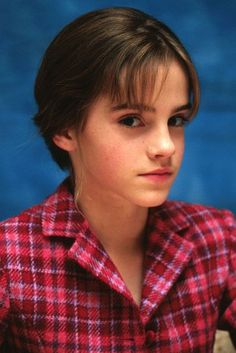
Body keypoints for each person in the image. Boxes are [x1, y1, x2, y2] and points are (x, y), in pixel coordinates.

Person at [0, 7, 235, 353]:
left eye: (176, 120)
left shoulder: (218, 238)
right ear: (65, 128)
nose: (165, 146)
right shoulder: (11, 257)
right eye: (131, 120)